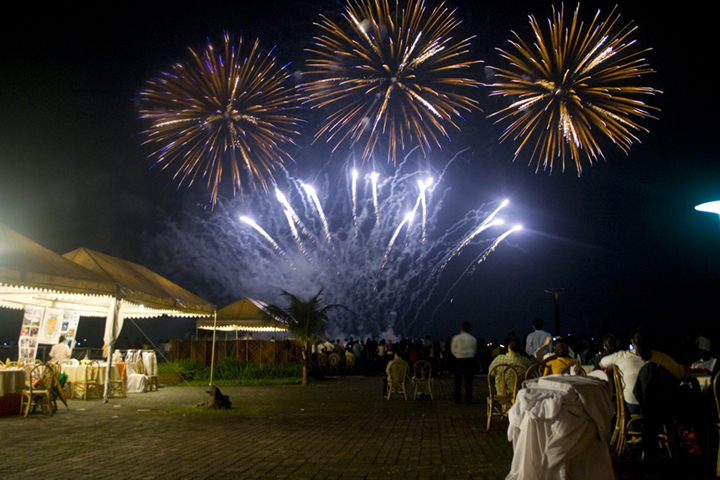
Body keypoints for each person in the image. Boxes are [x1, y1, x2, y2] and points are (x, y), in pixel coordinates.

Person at [451, 321, 477, 404]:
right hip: (469, 360)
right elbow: (474, 350)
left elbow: (453, 349)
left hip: (459, 360)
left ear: (461, 328)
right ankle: (468, 399)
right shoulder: (473, 339)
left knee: (457, 381)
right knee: (468, 381)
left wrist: (458, 355)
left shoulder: (456, 338)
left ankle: (457, 399)